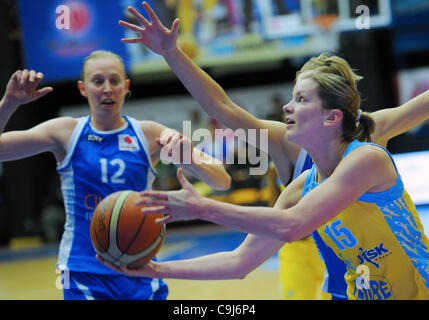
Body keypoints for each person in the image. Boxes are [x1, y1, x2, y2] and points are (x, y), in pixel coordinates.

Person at [114, 3, 429, 300]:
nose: (286, 107)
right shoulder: (300, 185)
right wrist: (153, 270)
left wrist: (203, 208)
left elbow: (292, 225)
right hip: (334, 271)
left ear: (333, 116)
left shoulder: (368, 151)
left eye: (302, 99)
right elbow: (239, 262)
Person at [0, 50, 231, 300]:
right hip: (82, 270)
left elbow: (222, 180)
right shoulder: (66, 131)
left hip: (140, 265)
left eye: (114, 80)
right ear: (83, 88)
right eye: (98, 81)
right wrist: (9, 103)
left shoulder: (148, 133)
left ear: (126, 86)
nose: (107, 88)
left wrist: (191, 161)